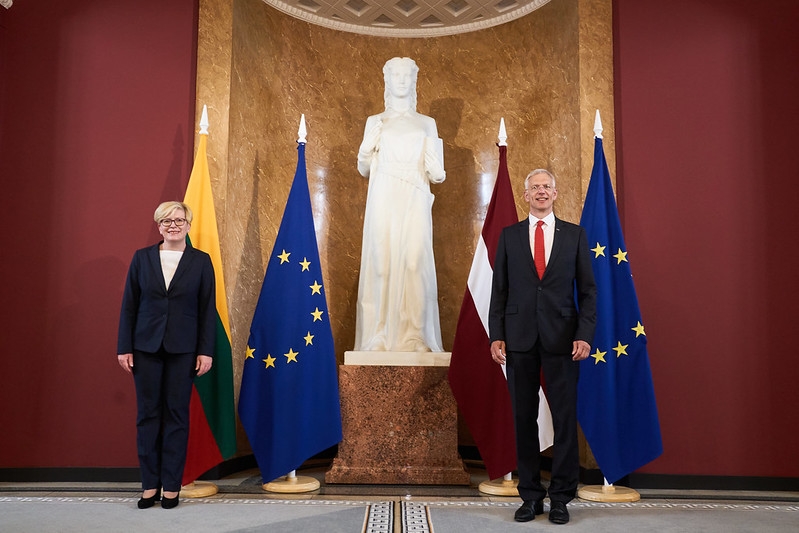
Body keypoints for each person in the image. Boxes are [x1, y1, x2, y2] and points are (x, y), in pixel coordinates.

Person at [489, 169, 597, 525]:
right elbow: (499, 291)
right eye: (534, 187)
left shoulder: (575, 236)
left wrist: (583, 334)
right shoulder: (509, 236)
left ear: (556, 193)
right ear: (525, 195)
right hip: (518, 339)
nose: (540, 192)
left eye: (546, 187)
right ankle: (531, 496)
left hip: (564, 340)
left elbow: (588, 292)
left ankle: (562, 498)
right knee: (523, 420)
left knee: (565, 420)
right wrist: (496, 334)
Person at [117, 201, 216, 509]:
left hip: (183, 350)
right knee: (147, 416)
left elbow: (206, 310)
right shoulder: (142, 258)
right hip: (145, 348)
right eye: (166, 221)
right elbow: (129, 306)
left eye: (178, 220)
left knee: (176, 416)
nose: (173, 225)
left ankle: (171, 487)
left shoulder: (201, 261)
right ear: (158, 226)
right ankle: (149, 486)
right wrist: (124, 347)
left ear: (188, 225)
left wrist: (205, 351)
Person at [354, 57, 446, 353]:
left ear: (415, 80)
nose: (402, 80)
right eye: (396, 74)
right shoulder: (375, 121)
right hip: (384, 195)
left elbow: (437, 171)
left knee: (414, 263)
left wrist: (438, 172)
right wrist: (366, 149)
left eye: (408, 75)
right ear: (387, 80)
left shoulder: (426, 123)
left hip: (416, 194)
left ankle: (415, 335)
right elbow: (364, 168)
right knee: (381, 264)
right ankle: (377, 335)